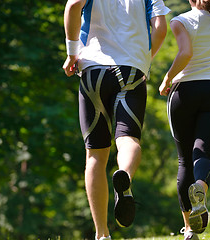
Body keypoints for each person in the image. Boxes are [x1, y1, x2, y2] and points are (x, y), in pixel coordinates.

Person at [62, 0, 170, 239]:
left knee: (95, 155)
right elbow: (161, 27)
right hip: (131, 70)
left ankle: (102, 234)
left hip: (92, 69)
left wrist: (72, 54)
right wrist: (145, 57)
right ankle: (125, 177)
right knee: (128, 139)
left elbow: (72, 7)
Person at [159, 0, 210, 239]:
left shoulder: (180, 21)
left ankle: (189, 230)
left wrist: (167, 79)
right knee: (202, 154)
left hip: (184, 92)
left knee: (184, 160)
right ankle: (201, 189)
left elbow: (186, 53)